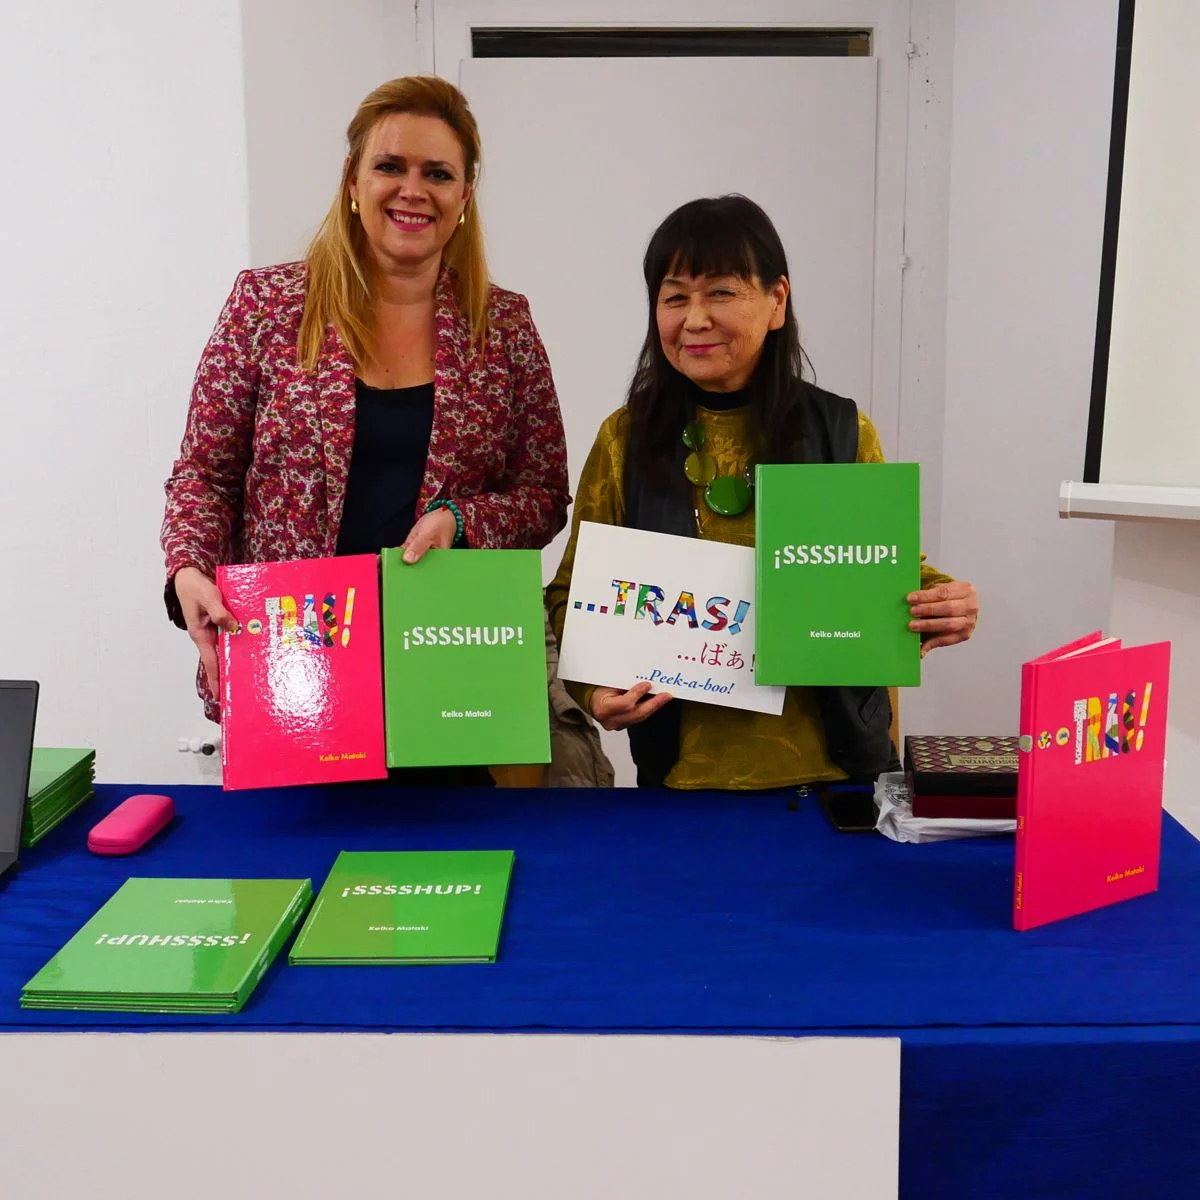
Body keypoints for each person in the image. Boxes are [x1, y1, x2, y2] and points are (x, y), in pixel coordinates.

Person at [161, 76, 570, 783]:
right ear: (353, 181)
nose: (413, 190)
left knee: (448, 853)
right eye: (390, 166)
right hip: (295, 674)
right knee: (293, 852)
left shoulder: (504, 326)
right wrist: (188, 569)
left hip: (448, 672)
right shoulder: (266, 306)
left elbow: (543, 494)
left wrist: (462, 520)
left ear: (465, 195)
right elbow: (204, 475)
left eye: (438, 173)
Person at [546, 195, 979, 790]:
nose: (695, 319)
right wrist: (592, 690)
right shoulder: (626, 438)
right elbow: (571, 595)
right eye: (674, 297)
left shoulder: (841, 430)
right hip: (680, 783)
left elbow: (884, 573)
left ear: (777, 301)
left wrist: (943, 602)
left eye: (721, 292)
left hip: (834, 776)